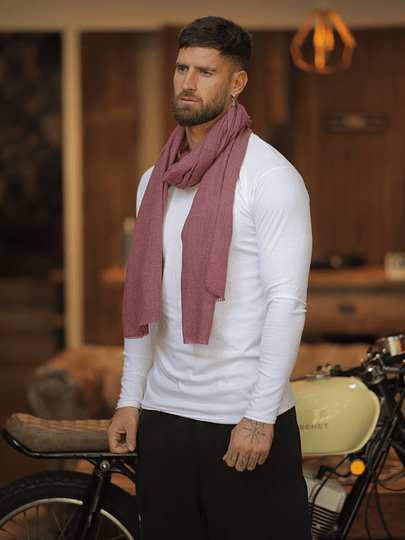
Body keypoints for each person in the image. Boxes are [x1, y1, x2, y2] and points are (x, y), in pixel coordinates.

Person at [107, 15, 312, 540]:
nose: (187, 83)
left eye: (205, 71)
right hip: (164, 418)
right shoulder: (155, 181)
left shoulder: (270, 177)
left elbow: (286, 302)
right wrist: (130, 399)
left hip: (240, 419)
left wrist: (260, 416)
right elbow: (145, 302)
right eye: (181, 68)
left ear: (237, 82)